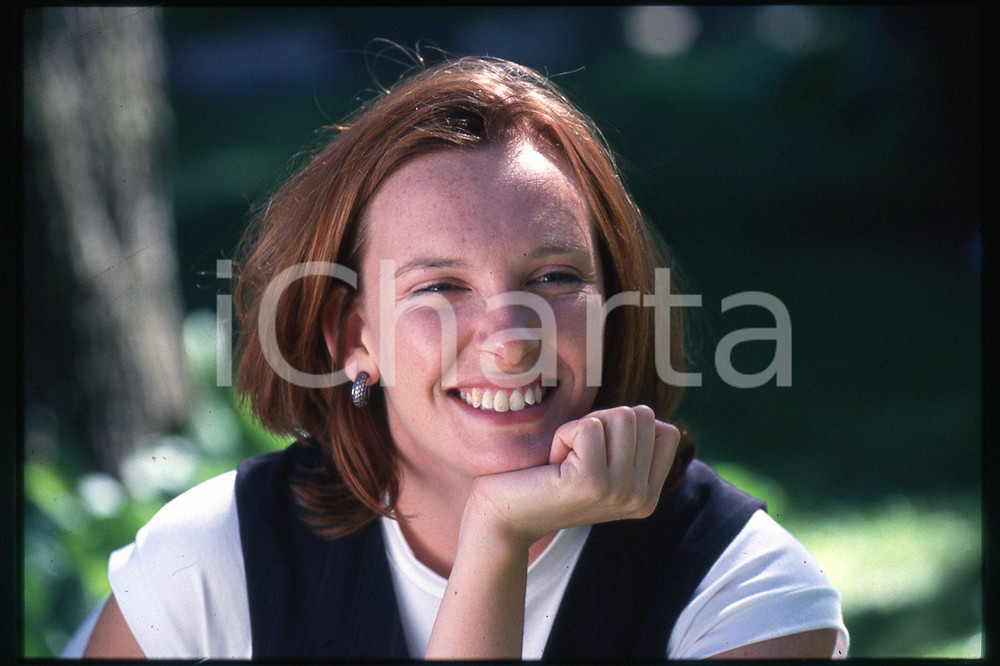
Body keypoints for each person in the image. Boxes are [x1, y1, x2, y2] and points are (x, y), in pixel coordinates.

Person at [76, 55, 848, 659]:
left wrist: (496, 535)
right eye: (441, 286)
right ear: (353, 340)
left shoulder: (739, 589)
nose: (511, 337)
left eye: (554, 277)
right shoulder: (212, 561)